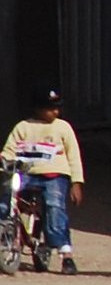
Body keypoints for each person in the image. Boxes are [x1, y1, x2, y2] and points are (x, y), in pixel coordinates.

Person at [1, 84, 84, 274]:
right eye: (50, 108)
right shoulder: (23, 127)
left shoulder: (63, 128)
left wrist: (76, 182)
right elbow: (9, 151)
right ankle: (9, 235)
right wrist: (5, 160)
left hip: (54, 175)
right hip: (26, 174)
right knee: (7, 200)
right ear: (37, 108)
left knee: (55, 207)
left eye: (57, 107)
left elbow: (74, 156)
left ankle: (66, 254)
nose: (55, 111)